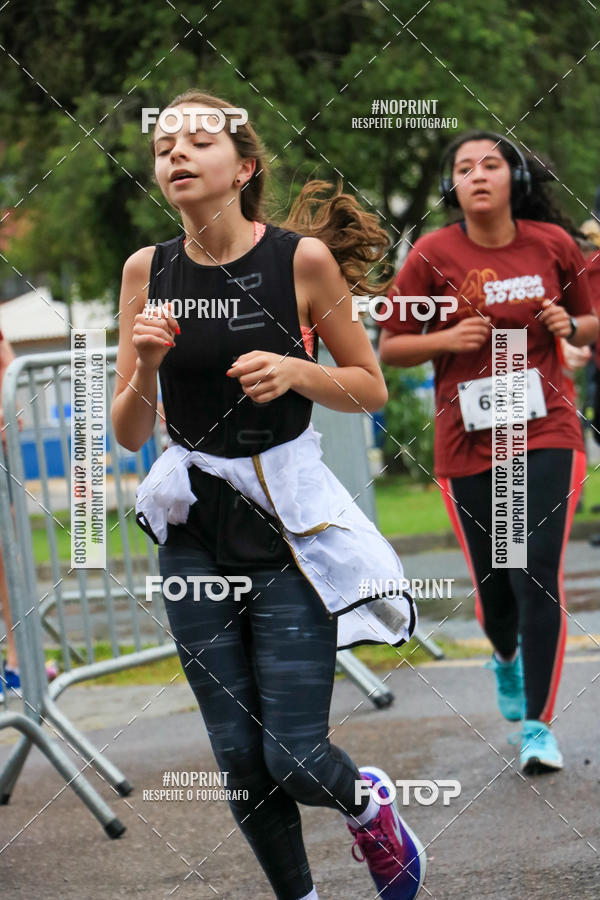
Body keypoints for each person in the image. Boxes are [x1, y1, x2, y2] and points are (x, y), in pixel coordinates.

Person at [111, 89, 426, 899]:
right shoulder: (146, 271)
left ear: (243, 167)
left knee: (292, 755)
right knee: (238, 758)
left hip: (286, 524)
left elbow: (369, 387)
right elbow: (127, 430)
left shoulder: (300, 263)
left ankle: (368, 807)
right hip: (193, 532)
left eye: (196, 142)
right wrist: (145, 365)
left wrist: (296, 371)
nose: (174, 154)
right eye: (163, 146)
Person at [378, 130, 598, 775]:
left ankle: (538, 725)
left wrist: (568, 326)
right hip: (469, 439)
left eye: (491, 164)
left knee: (536, 577)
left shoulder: (552, 245)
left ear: (513, 180)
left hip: (545, 428)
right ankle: (503, 654)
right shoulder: (432, 252)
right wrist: (445, 336)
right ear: (454, 186)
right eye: (464, 167)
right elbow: (391, 345)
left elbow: (589, 320)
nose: (477, 175)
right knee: (497, 587)